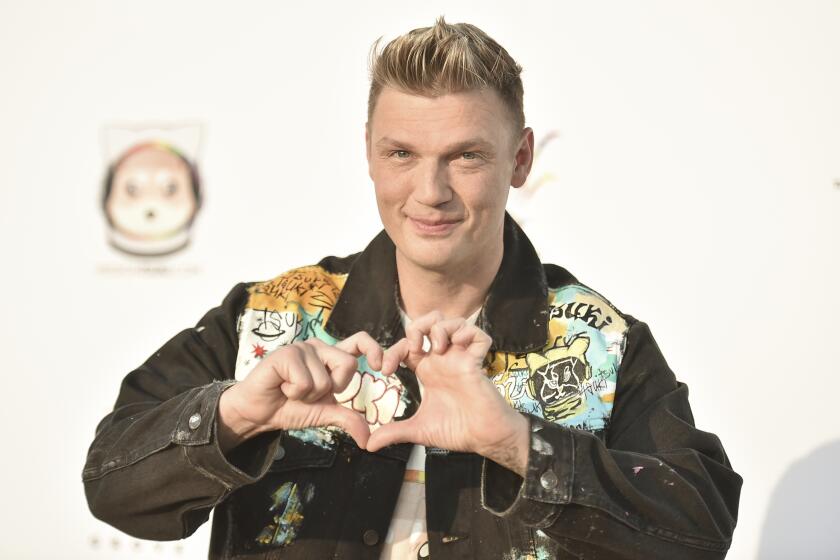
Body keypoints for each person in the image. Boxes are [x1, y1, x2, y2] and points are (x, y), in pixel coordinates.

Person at [83, 16, 742, 559]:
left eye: (466, 156)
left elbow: (698, 532)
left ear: (520, 160)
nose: (430, 193)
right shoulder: (268, 318)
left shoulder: (602, 346)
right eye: (402, 154)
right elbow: (110, 485)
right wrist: (236, 416)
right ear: (369, 151)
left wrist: (517, 444)